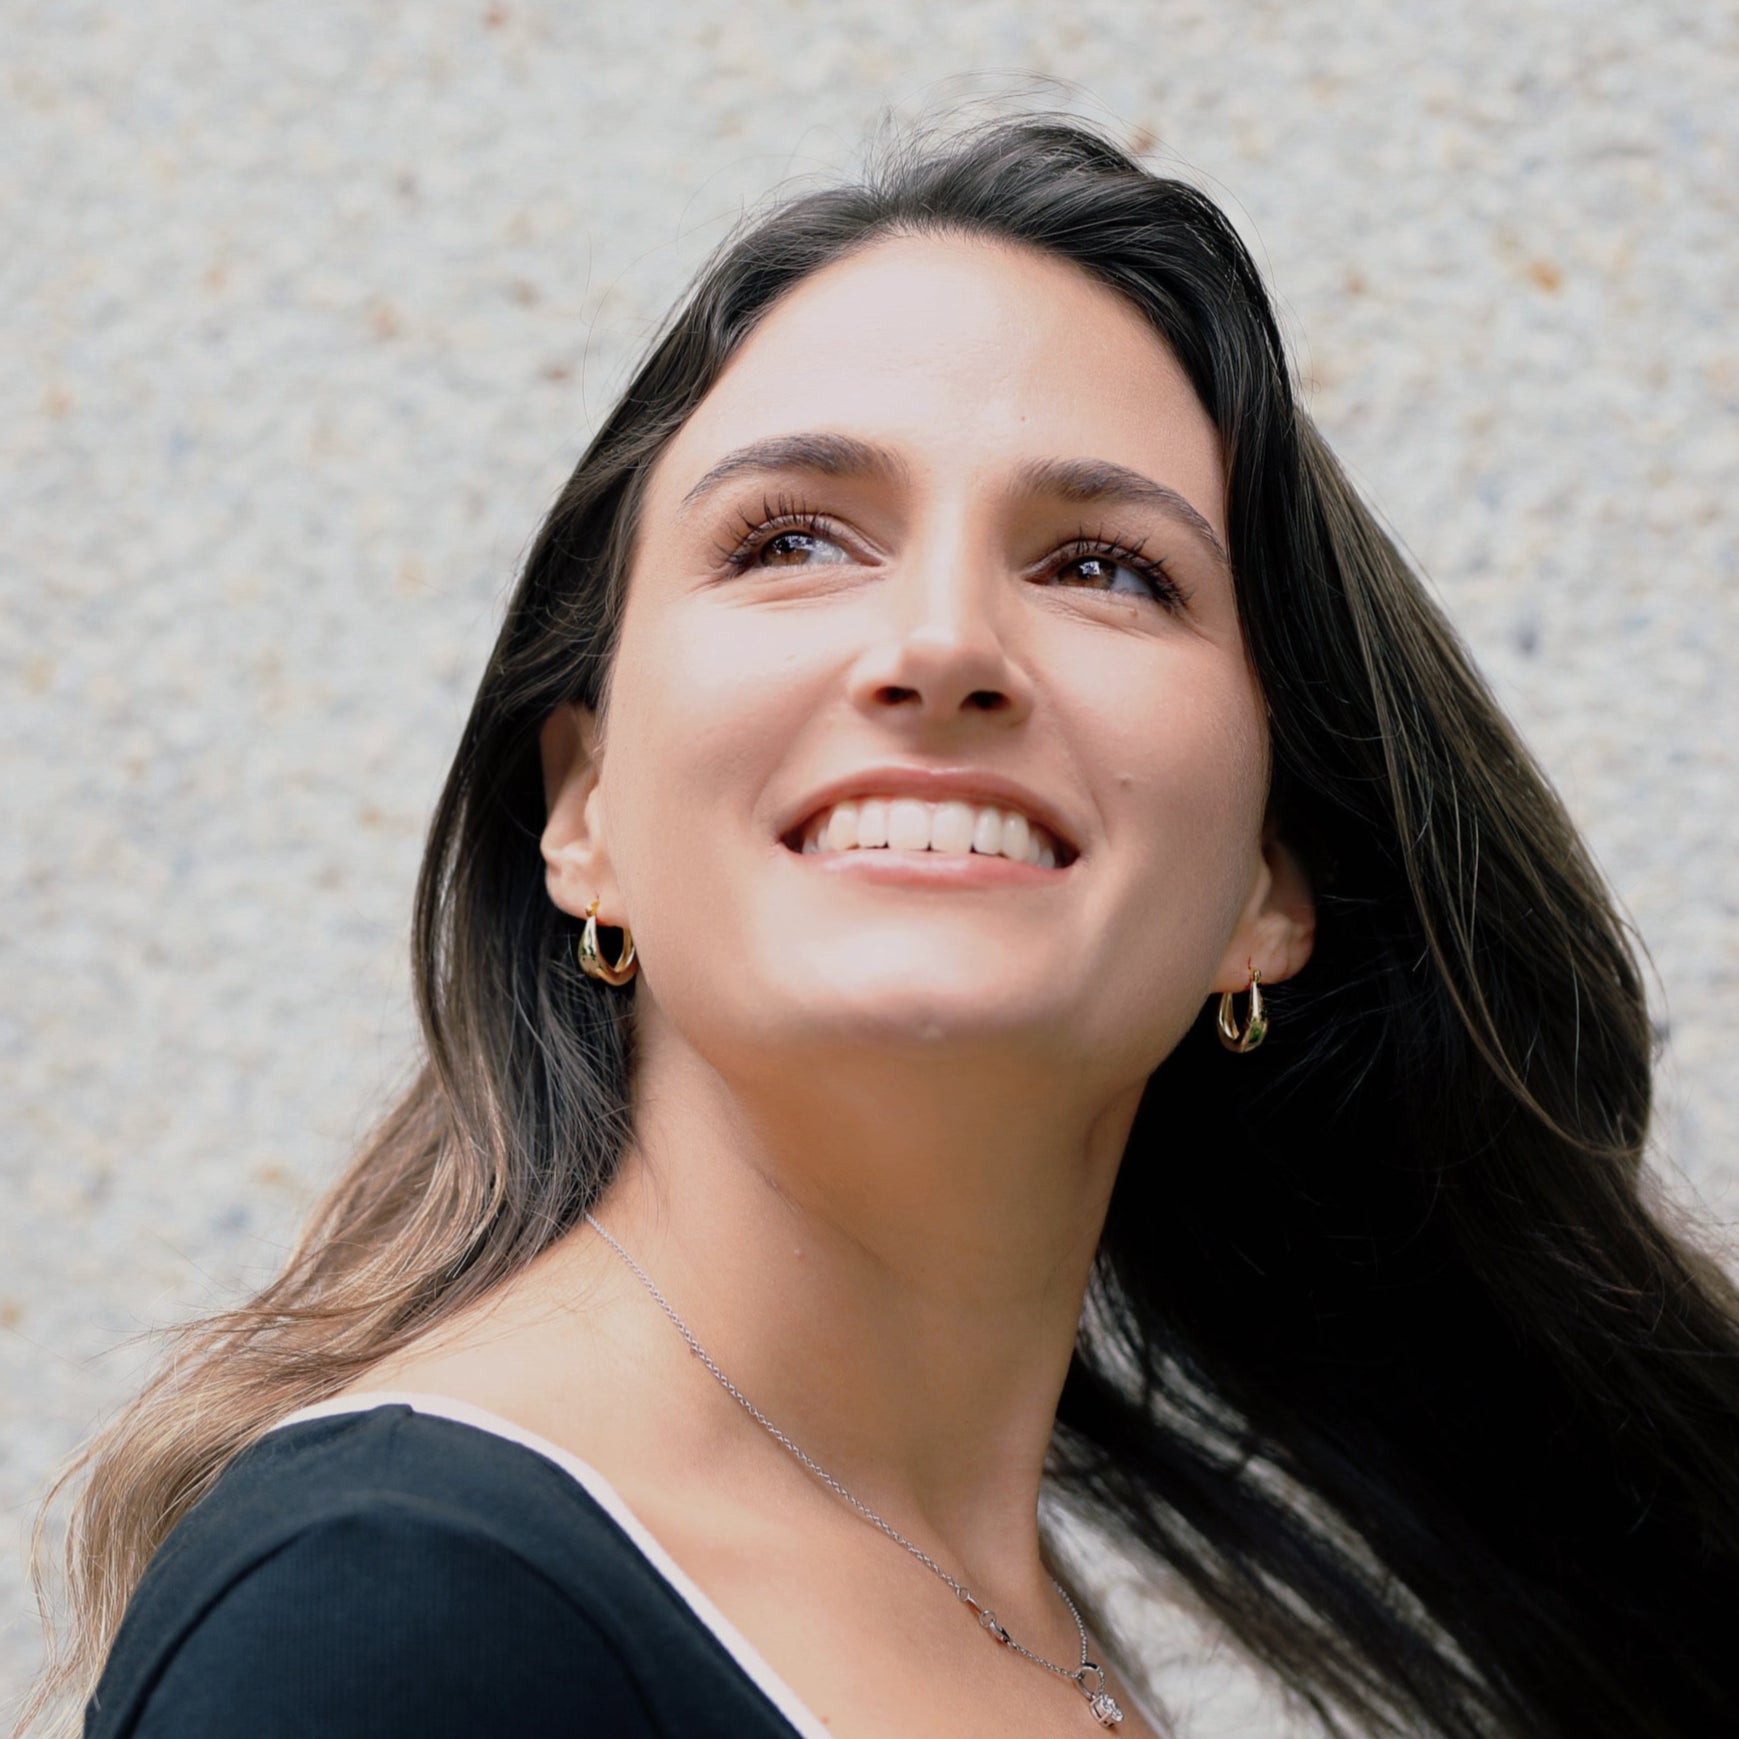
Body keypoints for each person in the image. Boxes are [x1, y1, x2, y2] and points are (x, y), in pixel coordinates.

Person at [20, 114, 1739, 1739]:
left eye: (1106, 568)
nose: (941, 643)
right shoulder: (395, 1620)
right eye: (794, 538)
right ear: (583, 810)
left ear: (1267, 894)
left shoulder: (1013, 1630)